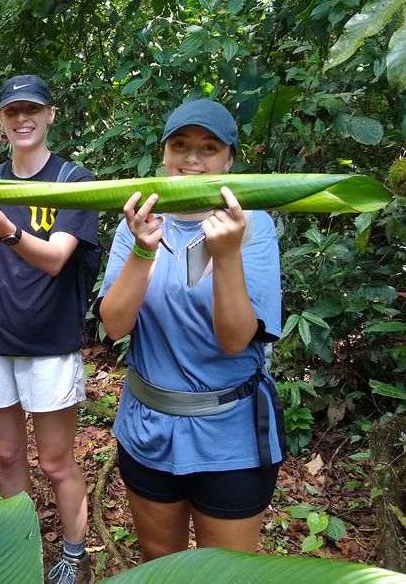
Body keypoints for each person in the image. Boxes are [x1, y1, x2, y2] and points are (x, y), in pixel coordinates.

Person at [96, 100, 284, 561]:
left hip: (230, 436)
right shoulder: (139, 222)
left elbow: (235, 339)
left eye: (208, 147)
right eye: (180, 145)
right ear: (163, 153)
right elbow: (115, 325)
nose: (192, 159)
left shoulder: (252, 224)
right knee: (161, 564)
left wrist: (227, 254)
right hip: (148, 426)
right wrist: (143, 249)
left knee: (225, 573)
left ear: (229, 159)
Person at [0, 75, 99, 584]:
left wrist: (6, 229)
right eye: (11, 112)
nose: (21, 119)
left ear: (51, 114)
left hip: (49, 345)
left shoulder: (74, 181)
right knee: (9, 454)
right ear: (0, 120)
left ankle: (74, 555)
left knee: (56, 462)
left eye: (31, 109)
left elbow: (57, 259)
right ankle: (17, 552)